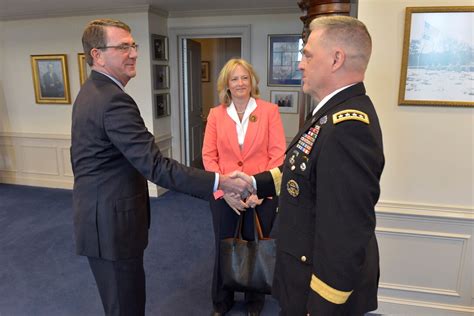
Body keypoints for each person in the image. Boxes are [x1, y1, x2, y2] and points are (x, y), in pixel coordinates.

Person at [70, 19, 252, 316]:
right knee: (125, 306)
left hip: (100, 218)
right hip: (111, 226)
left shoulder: (91, 92)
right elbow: (156, 166)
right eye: (122, 47)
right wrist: (221, 182)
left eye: (133, 45)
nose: (133, 53)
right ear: (97, 55)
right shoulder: (112, 101)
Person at [247, 15, 385, 315]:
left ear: (336, 59)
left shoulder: (347, 127)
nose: (300, 64)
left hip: (319, 289)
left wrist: (322, 306)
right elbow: (299, 170)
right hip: (299, 269)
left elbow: (345, 233)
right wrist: (252, 182)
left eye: (307, 54)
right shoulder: (331, 112)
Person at [202, 58, 286, 316]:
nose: (240, 83)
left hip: (261, 195)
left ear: (252, 82)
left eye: (244, 78)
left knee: (255, 244)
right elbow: (208, 156)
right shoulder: (216, 114)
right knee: (224, 245)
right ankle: (222, 301)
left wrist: (258, 190)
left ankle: (254, 302)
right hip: (223, 195)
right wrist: (225, 192)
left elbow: (278, 155)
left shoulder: (269, 110)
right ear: (226, 84)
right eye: (234, 78)